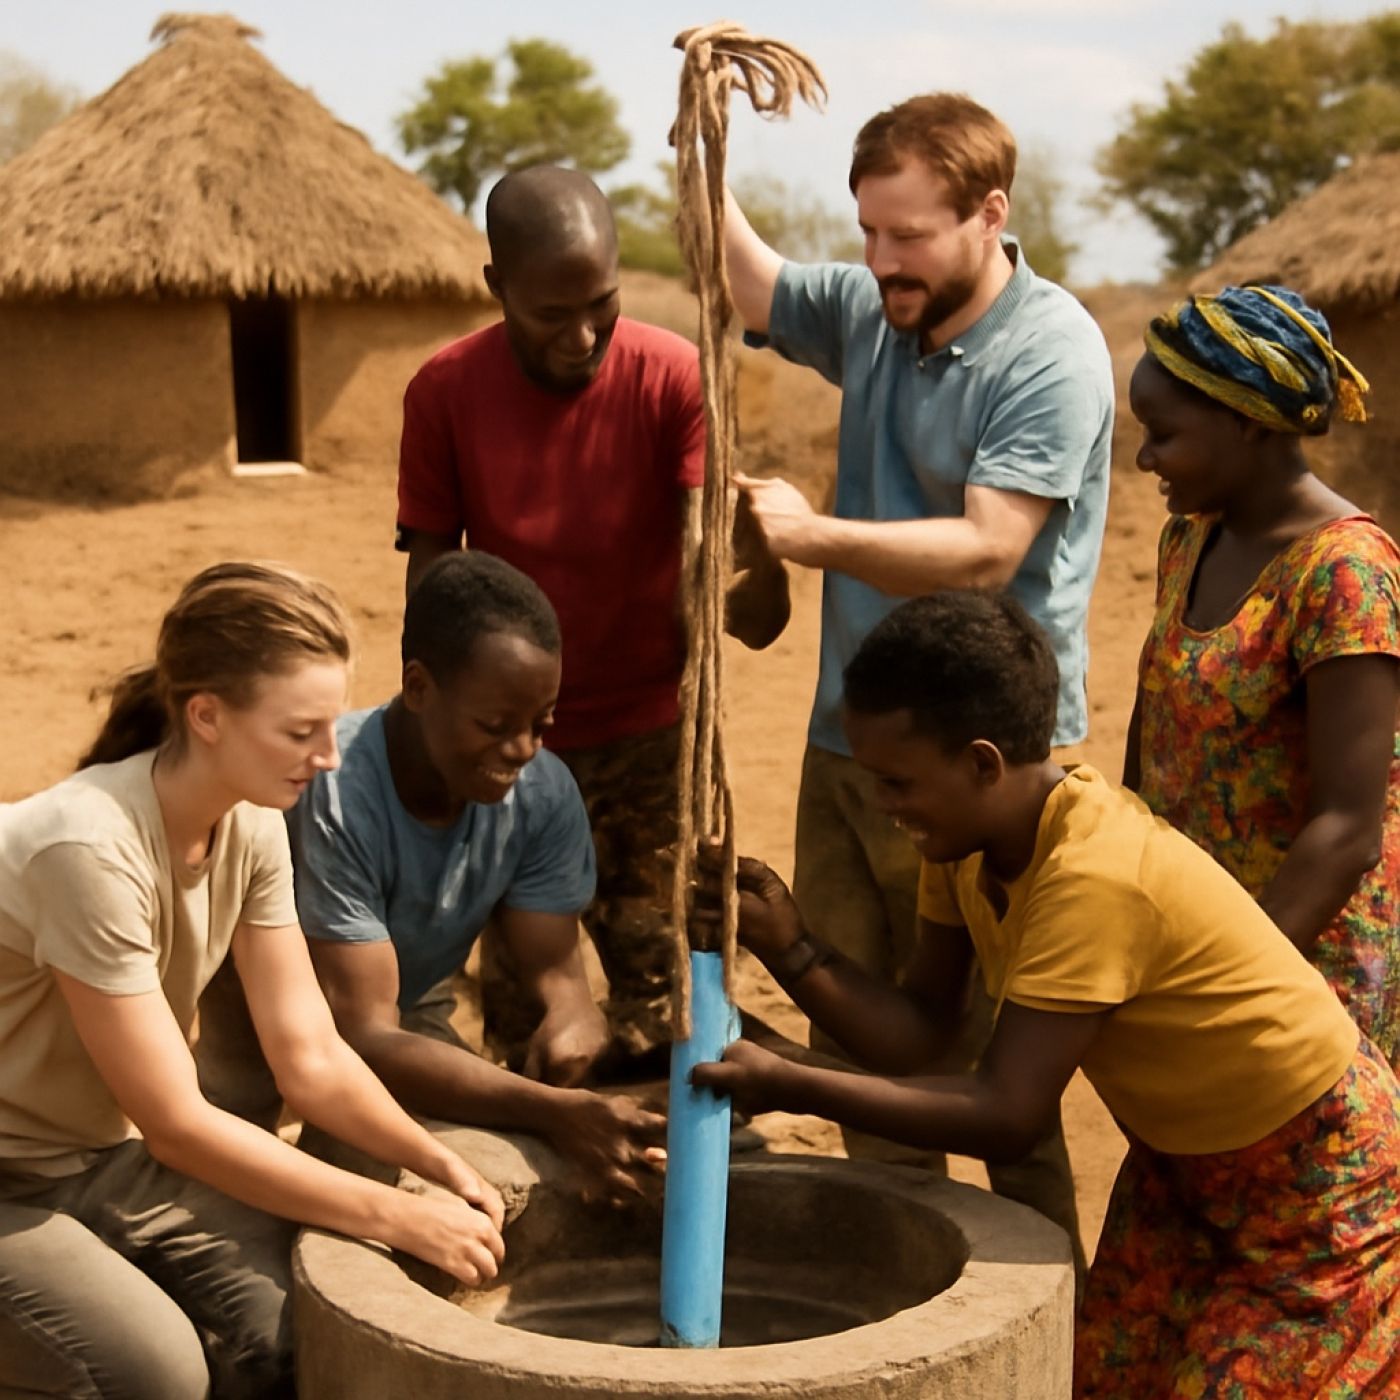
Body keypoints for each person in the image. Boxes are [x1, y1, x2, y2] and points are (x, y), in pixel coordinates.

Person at [692, 590, 1400, 1396]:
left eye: (896, 783)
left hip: (1321, 1188)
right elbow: (920, 1033)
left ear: (982, 763)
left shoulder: (1093, 875)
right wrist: (790, 946)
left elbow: (1006, 1115)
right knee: (1103, 1383)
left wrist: (791, 1081)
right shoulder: (969, 842)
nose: (885, 807)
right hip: (1182, 1174)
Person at [722, 90, 1112, 1252]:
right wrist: (702, 158)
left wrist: (811, 535)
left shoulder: (1048, 351)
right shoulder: (874, 310)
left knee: (990, 1072)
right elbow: (749, 284)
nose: (881, 259)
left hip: (978, 765)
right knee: (853, 1042)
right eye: (866, 232)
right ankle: (904, 1289)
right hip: (849, 745)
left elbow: (990, 547)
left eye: (908, 235)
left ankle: (1036, 1307)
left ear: (989, 214)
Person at [0, 563, 507, 1400]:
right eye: (301, 731)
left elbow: (310, 1056)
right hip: (16, 1179)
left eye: (331, 725)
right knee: (155, 1373)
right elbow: (177, 1126)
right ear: (206, 716)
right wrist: (395, 1213)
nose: (329, 756)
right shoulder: (85, 850)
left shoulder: (252, 826)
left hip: (90, 1155)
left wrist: (437, 1163)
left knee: (302, 1328)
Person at [395, 164, 788, 1077]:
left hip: (655, 740)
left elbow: (732, 596)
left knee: (673, 999)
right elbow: (435, 584)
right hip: (513, 749)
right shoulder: (444, 392)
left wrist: (756, 566)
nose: (582, 337)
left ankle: (688, 1161)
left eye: (602, 306)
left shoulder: (674, 377)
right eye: (550, 314)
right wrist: (439, 743)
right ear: (496, 287)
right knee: (528, 1020)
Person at [284, 551, 666, 1201]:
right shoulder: (336, 790)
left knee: (480, 1174)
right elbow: (363, 1036)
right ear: (418, 688)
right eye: (495, 726)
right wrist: (551, 1110)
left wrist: (573, 1016)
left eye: (541, 725)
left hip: (406, 1014)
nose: (522, 749)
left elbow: (558, 974)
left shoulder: (540, 793)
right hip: (271, 1021)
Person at [1124, 283, 1400, 1067]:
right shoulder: (1188, 539)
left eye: (1163, 435)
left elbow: (1347, 830)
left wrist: (1226, 987)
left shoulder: (1344, 572)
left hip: (1298, 976)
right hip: (1190, 943)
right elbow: (1154, 728)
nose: (1144, 459)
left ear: (1246, 421)